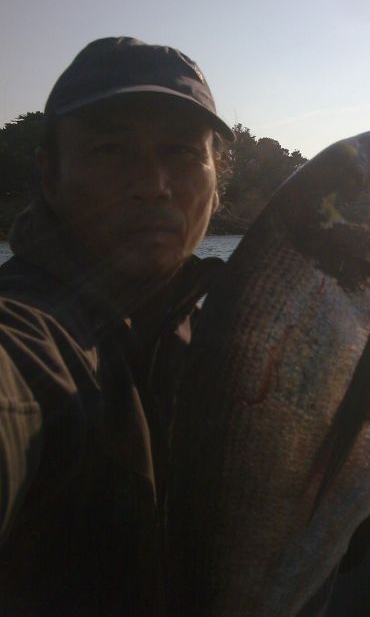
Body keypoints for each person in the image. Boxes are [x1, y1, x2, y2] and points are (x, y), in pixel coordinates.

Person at [0, 37, 234, 616]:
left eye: (181, 151)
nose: (152, 183)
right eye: (110, 149)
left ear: (215, 179)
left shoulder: (220, 339)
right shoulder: (30, 328)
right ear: (49, 176)